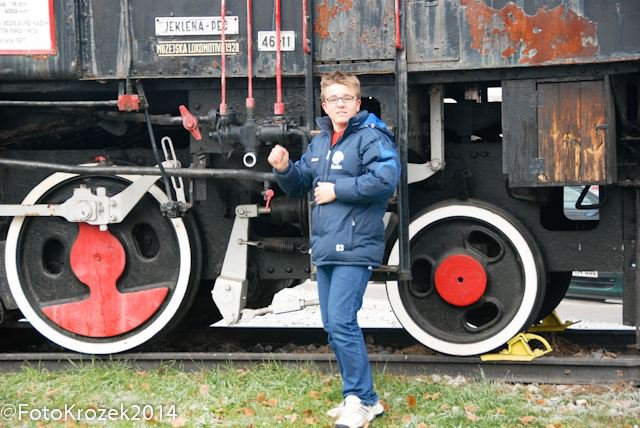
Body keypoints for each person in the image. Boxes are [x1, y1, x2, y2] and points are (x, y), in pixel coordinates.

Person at [268, 71, 400, 428]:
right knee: (333, 325)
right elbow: (300, 184)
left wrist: (337, 190)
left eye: (346, 98)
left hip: (355, 245)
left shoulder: (371, 137)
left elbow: (386, 179)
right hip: (327, 245)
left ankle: (363, 400)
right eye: (333, 99)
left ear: (357, 103)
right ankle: (358, 398)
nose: (340, 104)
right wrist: (283, 168)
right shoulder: (321, 142)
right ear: (324, 105)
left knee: (342, 322)